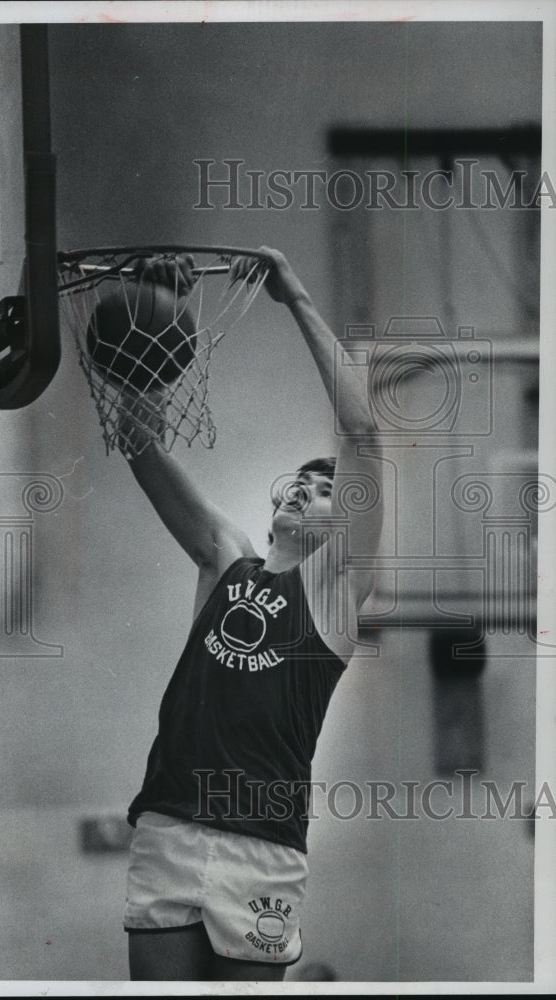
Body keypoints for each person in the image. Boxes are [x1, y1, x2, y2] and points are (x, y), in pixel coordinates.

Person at [119, 247, 383, 981]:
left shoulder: (332, 594)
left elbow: (362, 436)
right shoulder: (222, 559)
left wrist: (295, 295)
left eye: (322, 489)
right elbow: (138, 442)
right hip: (169, 823)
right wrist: (148, 320)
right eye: (295, 482)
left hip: (260, 841)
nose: (302, 489)